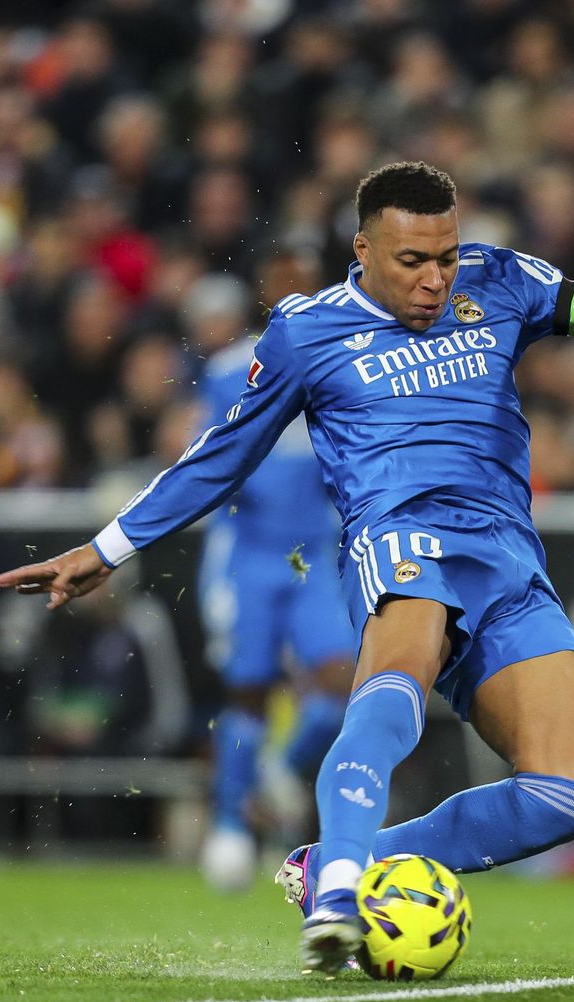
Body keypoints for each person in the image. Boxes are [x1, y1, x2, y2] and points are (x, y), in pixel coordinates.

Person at [0, 161, 574, 973]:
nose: (434, 279)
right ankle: (343, 890)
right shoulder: (306, 333)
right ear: (362, 250)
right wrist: (109, 547)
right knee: (398, 668)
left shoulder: (500, 283)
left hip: (508, 557)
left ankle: (337, 858)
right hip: (402, 536)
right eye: (411, 262)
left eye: (445, 256)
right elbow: (219, 456)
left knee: (570, 790)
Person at [193, 260, 359, 894]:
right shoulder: (228, 369)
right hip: (251, 550)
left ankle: (277, 771)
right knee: (249, 690)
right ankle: (231, 828)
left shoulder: (338, 354)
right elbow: (215, 458)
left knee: (341, 681)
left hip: (312, 550)